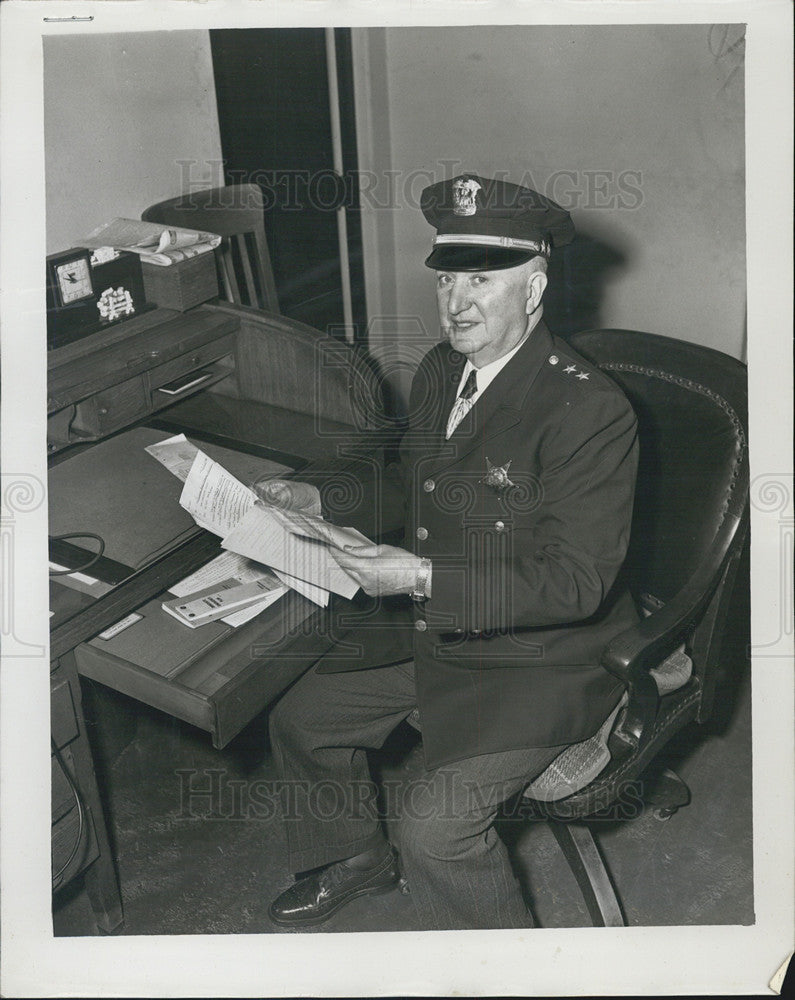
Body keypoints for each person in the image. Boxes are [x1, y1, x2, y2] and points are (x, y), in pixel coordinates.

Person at [258, 174, 640, 930]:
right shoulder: (442, 369)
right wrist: (320, 496)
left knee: (434, 830)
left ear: (533, 289)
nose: (455, 302)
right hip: (438, 625)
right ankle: (356, 857)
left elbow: (573, 584)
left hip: (541, 655)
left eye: (481, 281)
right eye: (446, 279)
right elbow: (408, 478)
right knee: (302, 718)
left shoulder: (587, 411)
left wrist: (418, 575)